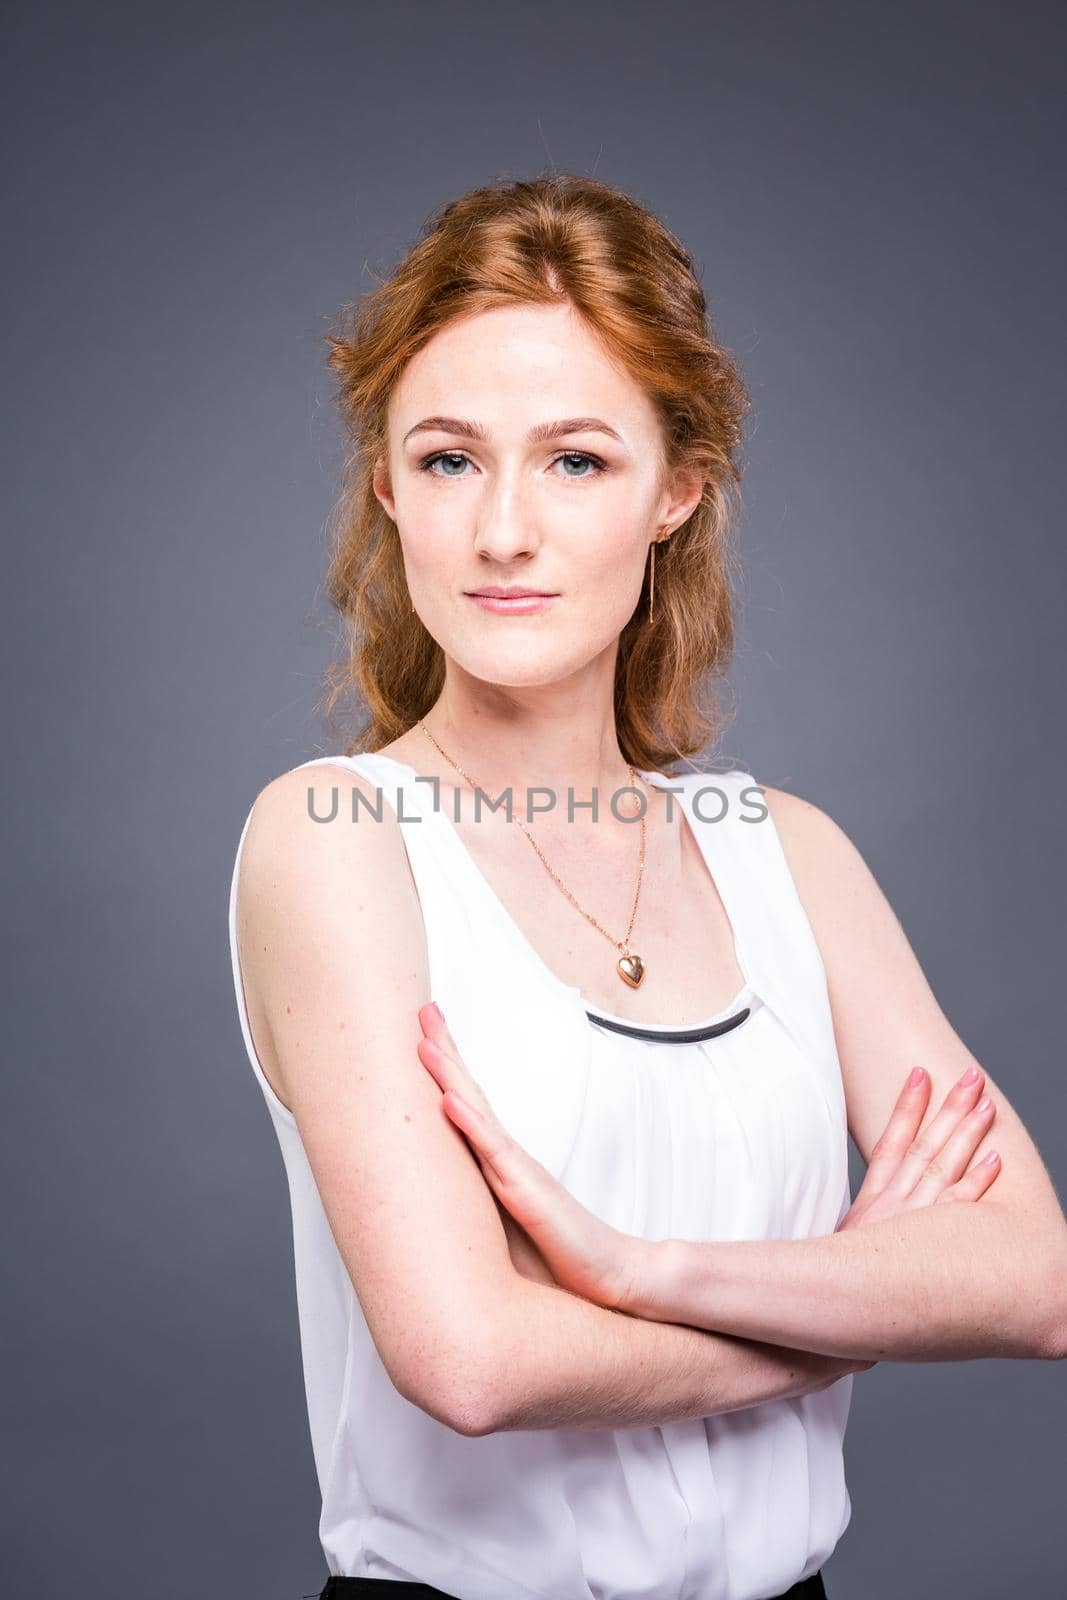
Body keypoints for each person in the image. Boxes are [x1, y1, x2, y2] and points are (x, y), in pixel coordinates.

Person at [226, 174, 1067, 1600]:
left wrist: (634, 1268)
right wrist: (858, 1302)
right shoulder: (334, 836)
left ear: (677, 489)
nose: (502, 529)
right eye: (446, 460)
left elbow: (1035, 1279)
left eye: (575, 461)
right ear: (386, 486)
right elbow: (471, 1361)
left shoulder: (786, 850)